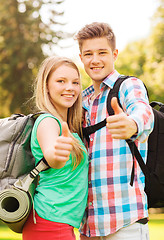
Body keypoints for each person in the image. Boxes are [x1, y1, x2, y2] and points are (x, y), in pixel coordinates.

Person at [75, 22, 154, 240]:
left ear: (115, 54)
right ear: (81, 57)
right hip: (89, 226)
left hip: (124, 221)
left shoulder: (128, 86)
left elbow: (143, 112)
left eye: (102, 52)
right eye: (88, 53)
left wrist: (133, 124)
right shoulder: (82, 101)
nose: (95, 59)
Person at [22, 56, 88, 240]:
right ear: (46, 87)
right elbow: (52, 156)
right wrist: (57, 156)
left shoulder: (68, 127)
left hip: (57, 223)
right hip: (49, 224)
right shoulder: (48, 122)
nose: (70, 87)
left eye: (75, 82)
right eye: (61, 81)